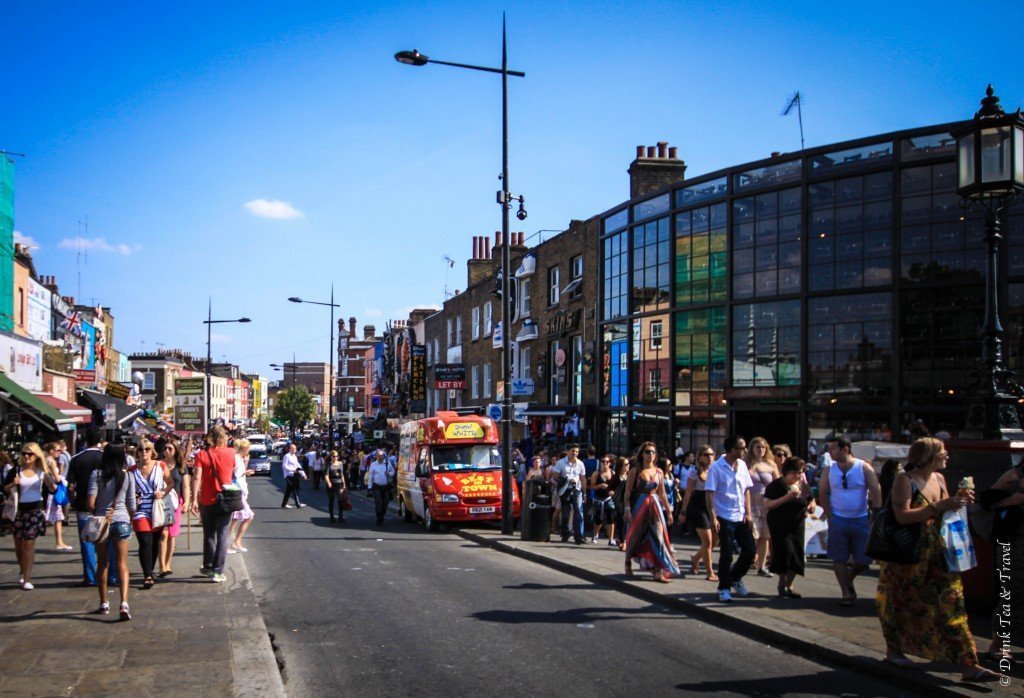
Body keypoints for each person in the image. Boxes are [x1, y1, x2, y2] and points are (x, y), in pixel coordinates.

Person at [875, 437, 999, 682]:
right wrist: (939, 506)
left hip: (938, 555)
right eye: (943, 452)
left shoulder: (940, 479)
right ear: (929, 456)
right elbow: (902, 516)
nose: (947, 456)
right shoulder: (905, 480)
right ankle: (895, 650)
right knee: (899, 604)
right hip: (907, 558)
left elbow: (945, 511)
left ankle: (969, 665)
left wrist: (957, 502)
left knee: (953, 605)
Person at [819, 436, 882, 605]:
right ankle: (845, 593)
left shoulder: (863, 467)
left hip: (860, 518)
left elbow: (876, 489)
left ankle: (849, 578)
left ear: (845, 449)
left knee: (864, 558)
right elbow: (823, 492)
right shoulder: (829, 469)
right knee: (838, 557)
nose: (830, 452)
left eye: (833, 448)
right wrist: (830, 515)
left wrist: (875, 514)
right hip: (838, 518)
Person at [978, 457, 1024, 663]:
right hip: (1013, 542)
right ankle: (997, 645)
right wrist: (1011, 500)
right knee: (1012, 591)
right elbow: (986, 500)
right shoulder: (1015, 476)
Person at [88, 444, 136, 620]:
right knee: (122, 563)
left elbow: (91, 503)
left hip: (102, 523)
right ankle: (124, 603)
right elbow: (132, 504)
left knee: (103, 564)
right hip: (122, 521)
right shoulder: (128, 475)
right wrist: (131, 519)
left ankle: (104, 603)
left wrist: (99, 510)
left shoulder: (96, 475)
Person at [705, 435, 755, 603]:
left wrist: (748, 513)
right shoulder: (716, 468)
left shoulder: (742, 465)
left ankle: (735, 577)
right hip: (724, 515)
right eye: (742, 448)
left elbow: (747, 490)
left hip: (740, 515)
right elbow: (710, 494)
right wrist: (713, 518)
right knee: (726, 554)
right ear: (734, 450)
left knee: (750, 550)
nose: (745, 450)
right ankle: (723, 588)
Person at [622, 442, 680, 583]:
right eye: (647, 452)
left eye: (653, 452)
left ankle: (658, 570)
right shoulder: (635, 470)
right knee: (636, 536)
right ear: (642, 454)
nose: (651, 455)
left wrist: (669, 511)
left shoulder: (659, 472)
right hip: (640, 506)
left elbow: (662, 493)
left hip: (655, 506)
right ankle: (628, 561)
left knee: (659, 537)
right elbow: (628, 491)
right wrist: (627, 509)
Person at [3, 443, 58, 590]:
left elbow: (52, 489)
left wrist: (52, 483)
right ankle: (23, 570)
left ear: (36, 456)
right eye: (24, 453)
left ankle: (26, 578)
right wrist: (11, 485)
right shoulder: (16, 471)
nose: (26, 456)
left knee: (28, 545)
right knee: (19, 546)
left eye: (30, 454)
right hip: (17, 511)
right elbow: (4, 488)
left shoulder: (41, 472)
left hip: (35, 511)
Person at [191, 425, 236, 583]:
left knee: (209, 534)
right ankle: (218, 571)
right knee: (223, 535)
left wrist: (194, 500)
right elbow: (233, 470)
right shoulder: (231, 453)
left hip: (206, 499)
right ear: (224, 437)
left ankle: (208, 566)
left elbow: (197, 477)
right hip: (225, 499)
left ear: (209, 437)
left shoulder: (201, 455)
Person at [763, 457, 812, 598]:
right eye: (794, 472)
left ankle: (789, 585)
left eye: (800, 472)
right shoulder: (775, 486)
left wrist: (811, 506)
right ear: (785, 472)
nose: (797, 476)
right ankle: (781, 583)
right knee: (785, 552)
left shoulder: (803, 485)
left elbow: (810, 499)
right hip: (779, 524)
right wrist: (787, 497)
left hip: (797, 524)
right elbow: (767, 504)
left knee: (796, 555)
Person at [129, 440, 174, 589]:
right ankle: (147, 575)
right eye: (141, 450)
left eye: (147, 449)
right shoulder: (131, 470)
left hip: (157, 509)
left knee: (154, 543)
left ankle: (151, 569)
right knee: (145, 543)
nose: (144, 452)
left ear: (152, 451)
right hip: (140, 509)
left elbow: (170, 483)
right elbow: (127, 490)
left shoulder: (160, 466)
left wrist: (163, 492)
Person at [67, 428, 107, 587]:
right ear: (100, 440)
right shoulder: (105, 458)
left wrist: (72, 502)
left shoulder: (76, 459)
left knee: (87, 542)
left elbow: (70, 486)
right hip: (104, 506)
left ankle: (90, 577)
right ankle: (110, 576)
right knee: (106, 542)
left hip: (83, 505)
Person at [680, 445, 717, 581]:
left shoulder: (716, 469)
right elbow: (688, 492)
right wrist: (683, 511)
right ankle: (710, 572)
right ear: (700, 457)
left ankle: (695, 558)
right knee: (707, 541)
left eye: (711, 454)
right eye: (706, 455)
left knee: (714, 541)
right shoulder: (694, 471)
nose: (709, 457)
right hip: (699, 506)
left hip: (713, 506)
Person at [746, 436, 779, 578]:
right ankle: (749, 559)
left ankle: (762, 565)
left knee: (765, 535)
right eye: (758, 447)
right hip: (751, 501)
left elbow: (778, 484)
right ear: (752, 449)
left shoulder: (771, 465)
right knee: (753, 534)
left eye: (763, 447)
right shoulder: (746, 464)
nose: (761, 450)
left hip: (766, 502)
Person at [157, 438, 189, 578]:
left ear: (175, 450)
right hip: (161, 502)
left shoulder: (181, 466)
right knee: (163, 534)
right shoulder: (159, 464)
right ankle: (161, 566)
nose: (167, 451)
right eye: (165, 448)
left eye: (170, 448)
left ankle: (168, 563)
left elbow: (186, 486)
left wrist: (187, 502)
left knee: (172, 535)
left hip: (176, 502)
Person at [552, 444, 588, 544]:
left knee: (579, 512)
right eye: (573, 451)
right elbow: (555, 476)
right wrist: (566, 479)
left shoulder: (580, 463)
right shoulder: (561, 463)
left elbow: (583, 479)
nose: (574, 453)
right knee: (566, 513)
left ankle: (579, 535)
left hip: (576, 489)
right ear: (568, 451)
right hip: (565, 490)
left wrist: (584, 493)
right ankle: (565, 534)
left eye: (576, 452)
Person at [43, 442, 72, 551]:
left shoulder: (44, 460)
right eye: (58, 450)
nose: (60, 453)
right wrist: (62, 481)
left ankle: (59, 542)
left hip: (48, 491)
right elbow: (57, 478)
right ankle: (59, 542)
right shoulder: (52, 462)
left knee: (57, 518)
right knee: (58, 518)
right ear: (51, 451)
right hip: (54, 491)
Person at [228, 439, 255, 553]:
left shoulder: (239, 458)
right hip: (237, 491)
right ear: (244, 448)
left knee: (234, 519)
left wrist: (245, 467)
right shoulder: (236, 458)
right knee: (248, 516)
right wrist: (245, 472)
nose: (249, 450)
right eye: (248, 448)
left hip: (239, 490)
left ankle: (235, 542)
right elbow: (234, 474)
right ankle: (232, 543)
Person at [589, 455, 618, 546]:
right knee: (599, 519)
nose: (605, 463)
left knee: (611, 518)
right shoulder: (596, 473)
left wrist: (613, 492)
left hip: (609, 499)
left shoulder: (613, 473)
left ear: (610, 463)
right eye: (603, 461)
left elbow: (616, 486)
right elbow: (591, 487)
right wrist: (600, 486)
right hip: (598, 499)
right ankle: (595, 534)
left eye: (607, 462)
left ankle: (611, 539)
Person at [367, 450, 395, 526]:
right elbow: (371, 476)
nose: (380, 457)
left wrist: (389, 473)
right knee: (378, 504)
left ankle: (382, 514)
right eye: (378, 456)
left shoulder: (387, 463)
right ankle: (379, 518)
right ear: (376, 456)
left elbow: (393, 471)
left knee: (385, 503)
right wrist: (369, 487)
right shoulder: (373, 465)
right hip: (377, 487)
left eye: (381, 455)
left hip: (386, 487)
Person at [325, 450, 348, 524]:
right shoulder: (328, 464)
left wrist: (344, 483)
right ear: (331, 457)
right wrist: (328, 482)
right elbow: (326, 475)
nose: (335, 458)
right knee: (331, 500)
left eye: (337, 456)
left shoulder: (340, 464)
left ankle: (340, 516)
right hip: (332, 484)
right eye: (334, 456)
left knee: (340, 500)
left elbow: (342, 475)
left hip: (339, 483)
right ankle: (331, 516)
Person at [280, 444, 306, 508]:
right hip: (288, 475)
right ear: (289, 449)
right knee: (294, 488)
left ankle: (284, 504)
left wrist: (303, 474)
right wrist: (292, 470)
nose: (294, 450)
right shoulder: (287, 456)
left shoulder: (294, 456)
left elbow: (298, 465)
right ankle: (298, 504)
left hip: (294, 475)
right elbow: (284, 466)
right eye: (293, 448)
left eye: (295, 448)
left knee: (288, 490)